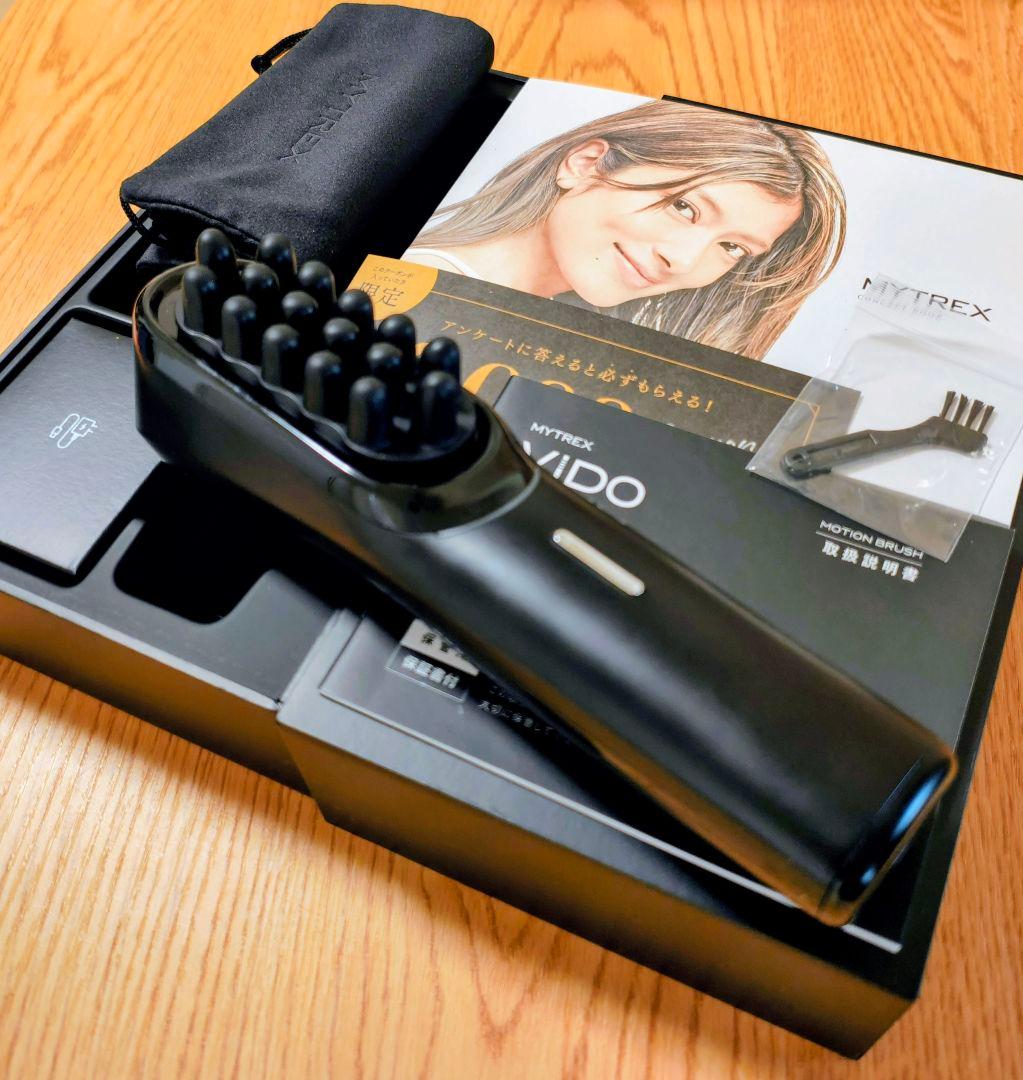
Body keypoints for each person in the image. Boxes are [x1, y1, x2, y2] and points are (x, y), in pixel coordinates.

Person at [406, 100, 846, 360]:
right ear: (586, 164)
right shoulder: (415, 299)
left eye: (732, 247)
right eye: (684, 207)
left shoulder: (547, 337)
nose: (684, 260)